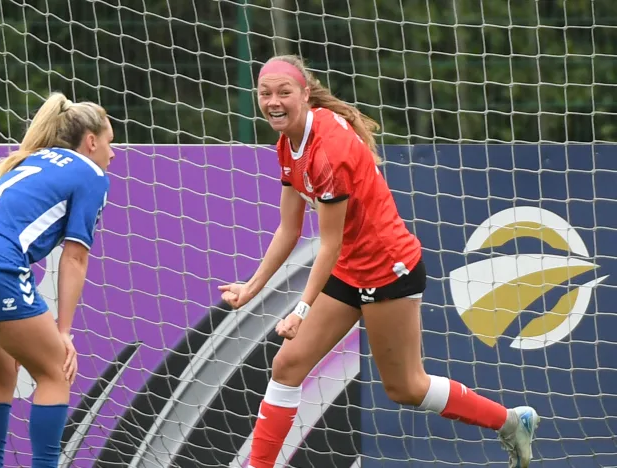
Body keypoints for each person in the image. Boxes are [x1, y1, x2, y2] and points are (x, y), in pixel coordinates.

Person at [218, 55, 540, 468]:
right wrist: (252, 286)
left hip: (389, 269)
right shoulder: (287, 143)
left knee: (406, 387)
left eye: (284, 92)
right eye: (265, 93)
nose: (273, 101)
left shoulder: (327, 152)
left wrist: (301, 309)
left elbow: (329, 244)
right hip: (349, 269)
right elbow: (289, 229)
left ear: (304, 94)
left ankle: (512, 421)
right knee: (287, 364)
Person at [0, 92, 114, 468]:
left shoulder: (28, 159)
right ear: (90, 141)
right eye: (110, 143)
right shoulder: (91, 173)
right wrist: (64, 331)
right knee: (56, 370)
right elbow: (75, 257)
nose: (112, 154)